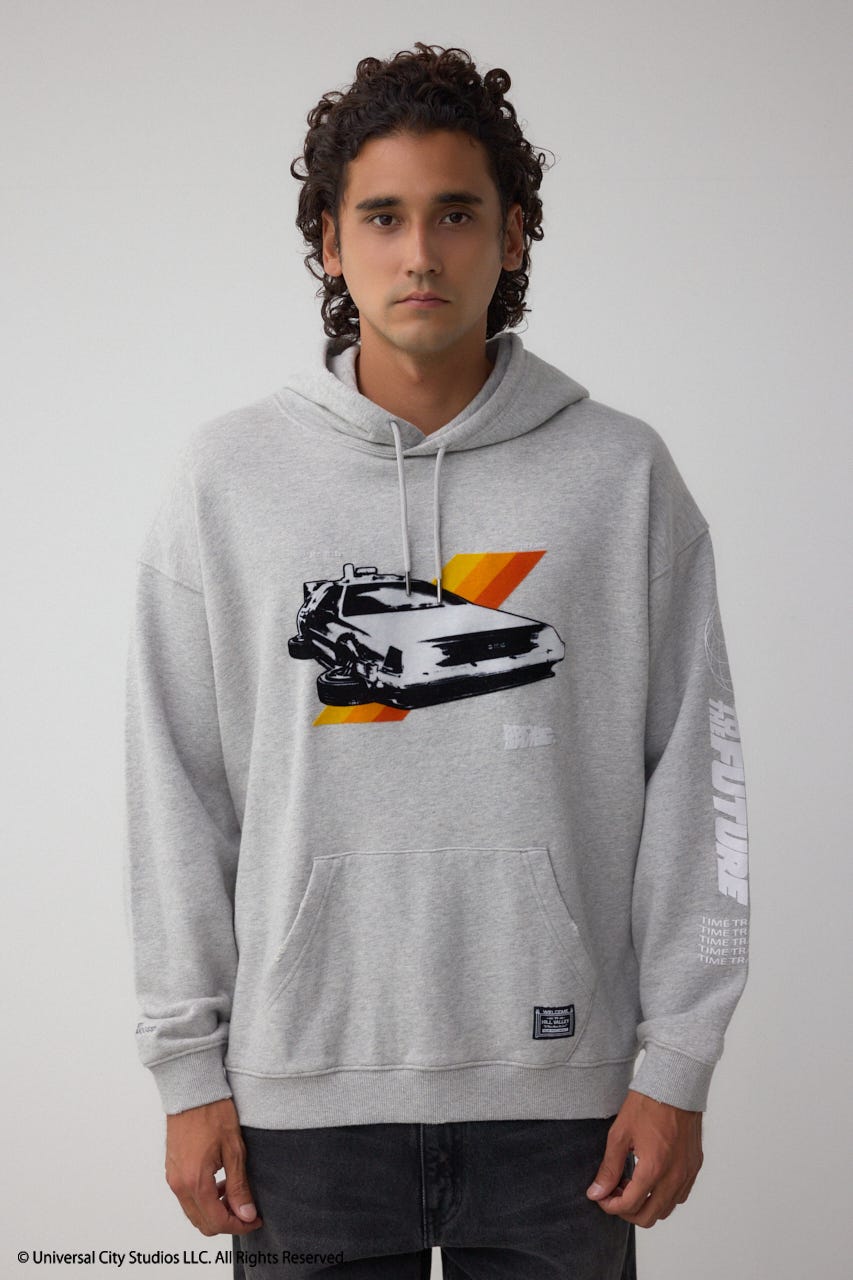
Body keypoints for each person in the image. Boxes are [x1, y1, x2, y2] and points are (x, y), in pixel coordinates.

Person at [122, 41, 751, 1279]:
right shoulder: (225, 481)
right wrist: (185, 1067)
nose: (419, 253)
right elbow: (173, 791)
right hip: (300, 1096)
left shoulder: (620, 475)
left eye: (455, 214)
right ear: (328, 241)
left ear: (512, 237)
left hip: (566, 1099)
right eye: (383, 216)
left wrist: (679, 1059)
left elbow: (699, 781)